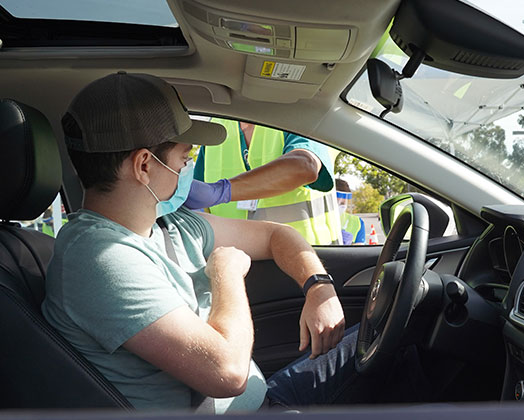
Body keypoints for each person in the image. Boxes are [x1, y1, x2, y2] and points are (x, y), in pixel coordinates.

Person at [41, 72, 369, 414]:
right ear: (143, 165)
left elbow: (276, 235)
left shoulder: (168, 225)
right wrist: (226, 274)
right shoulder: (99, 257)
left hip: (264, 402)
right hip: (253, 409)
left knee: (389, 338)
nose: (189, 164)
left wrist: (318, 287)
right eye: (185, 155)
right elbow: (227, 374)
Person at [187, 118, 343, 245]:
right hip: (238, 264)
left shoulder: (299, 118)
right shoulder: (217, 129)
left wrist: (222, 191)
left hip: (307, 261)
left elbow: (305, 166)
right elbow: (199, 204)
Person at [336, 179, 366, 245]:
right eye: (335, 203)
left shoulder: (357, 222)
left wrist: (349, 245)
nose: (338, 206)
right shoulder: (316, 220)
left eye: (342, 203)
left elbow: (359, 251)